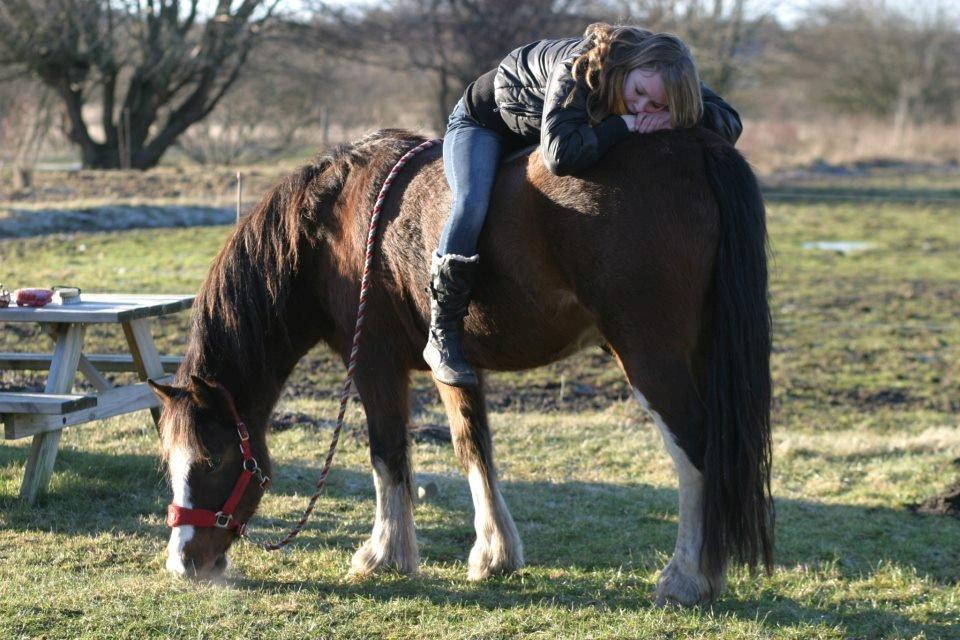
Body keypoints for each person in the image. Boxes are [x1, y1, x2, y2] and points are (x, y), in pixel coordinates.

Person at [423, 23, 743, 387]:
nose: (640, 106)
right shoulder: (580, 68)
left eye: (655, 104)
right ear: (630, 65)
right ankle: (443, 333)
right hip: (484, 124)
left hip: (544, 130)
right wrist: (626, 124)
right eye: (637, 92)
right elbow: (560, 155)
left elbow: (729, 122)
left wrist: (674, 117)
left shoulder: (664, 71)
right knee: (470, 203)